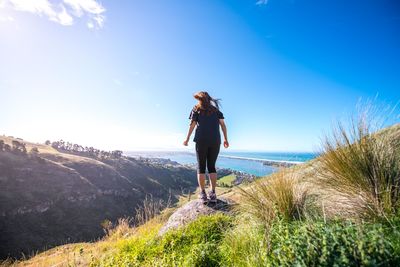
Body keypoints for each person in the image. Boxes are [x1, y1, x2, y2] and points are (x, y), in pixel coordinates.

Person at [183, 91, 229, 203]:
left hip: (201, 140)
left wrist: (187, 139)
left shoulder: (196, 109)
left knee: (201, 167)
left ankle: (203, 194)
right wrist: (226, 139)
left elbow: (192, 125)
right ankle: (213, 193)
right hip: (215, 140)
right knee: (212, 166)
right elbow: (223, 125)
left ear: (200, 99)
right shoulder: (216, 111)